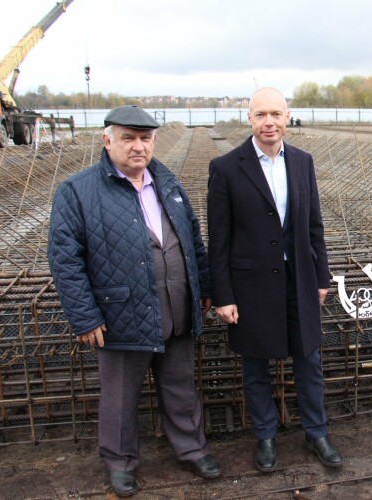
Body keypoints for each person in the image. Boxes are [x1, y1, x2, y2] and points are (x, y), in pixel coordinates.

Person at [47, 105, 220, 497]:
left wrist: (204, 288)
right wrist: (85, 317)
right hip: (121, 314)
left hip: (176, 308)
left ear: (154, 141)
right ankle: (120, 463)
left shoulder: (167, 182)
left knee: (180, 388)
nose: (138, 146)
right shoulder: (78, 191)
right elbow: (64, 260)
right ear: (107, 141)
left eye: (145, 138)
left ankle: (192, 450)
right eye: (128, 138)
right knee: (120, 397)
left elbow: (192, 239)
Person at [207, 87, 343, 473]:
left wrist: (321, 277)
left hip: (298, 277)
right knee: (255, 364)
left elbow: (314, 225)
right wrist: (223, 295)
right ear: (249, 119)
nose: (269, 122)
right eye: (261, 115)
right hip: (250, 284)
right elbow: (219, 238)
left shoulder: (302, 161)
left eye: (276, 114)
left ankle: (316, 432)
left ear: (287, 117)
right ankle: (265, 436)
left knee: (308, 358)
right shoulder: (226, 167)